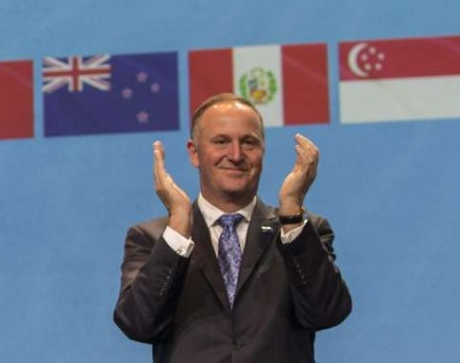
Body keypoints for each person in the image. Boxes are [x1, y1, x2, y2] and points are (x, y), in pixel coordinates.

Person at [113, 93, 352, 362]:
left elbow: (327, 313)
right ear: (194, 152)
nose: (236, 155)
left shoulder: (299, 231)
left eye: (248, 142)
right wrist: (179, 223)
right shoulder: (154, 238)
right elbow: (138, 324)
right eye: (221, 141)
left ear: (263, 151)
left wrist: (292, 211)